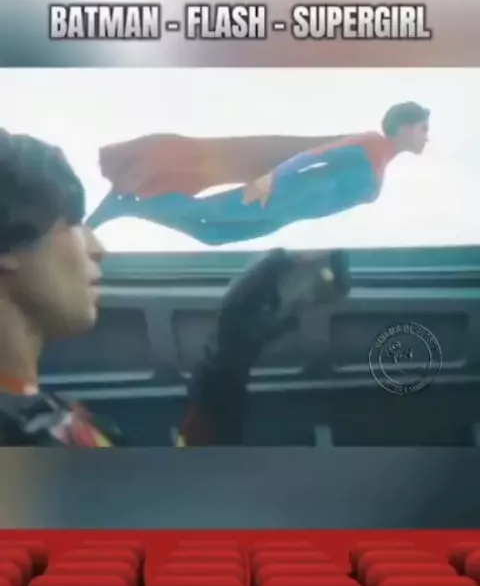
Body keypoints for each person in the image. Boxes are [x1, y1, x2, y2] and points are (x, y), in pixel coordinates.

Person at [0, 130, 350, 446]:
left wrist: (227, 359)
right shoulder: (22, 431)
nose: (97, 248)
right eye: (73, 223)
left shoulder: (42, 414)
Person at [87, 101, 430, 245]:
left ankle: (131, 208)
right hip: (279, 194)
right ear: (404, 127)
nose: (426, 136)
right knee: (202, 212)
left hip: (288, 213)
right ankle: (124, 206)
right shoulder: (372, 144)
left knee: (213, 236)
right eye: (423, 128)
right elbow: (314, 155)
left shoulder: (380, 171)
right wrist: (271, 180)